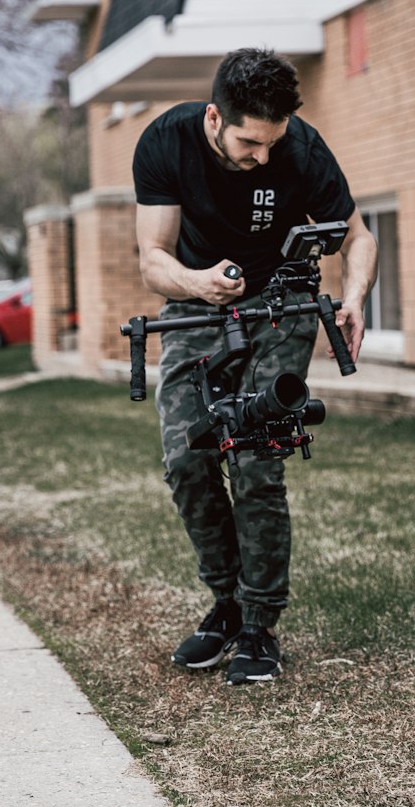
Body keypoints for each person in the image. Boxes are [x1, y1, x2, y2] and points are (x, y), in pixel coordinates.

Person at [133, 46, 378, 686]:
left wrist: (352, 300)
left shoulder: (300, 147)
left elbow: (357, 235)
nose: (263, 156)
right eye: (250, 142)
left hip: (284, 302)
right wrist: (197, 280)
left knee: (256, 454)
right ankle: (226, 602)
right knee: (187, 457)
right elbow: (152, 257)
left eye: (273, 142)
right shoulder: (165, 140)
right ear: (215, 118)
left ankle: (260, 625)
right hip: (197, 300)